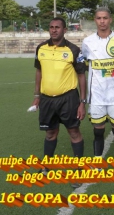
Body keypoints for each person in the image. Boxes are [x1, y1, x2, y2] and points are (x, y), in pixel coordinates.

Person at [31, 17, 86, 189]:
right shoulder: (41, 48)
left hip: (68, 98)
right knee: (50, 134)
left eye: (57, 27)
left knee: (74, 132)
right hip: (47, 99)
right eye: (51, 27)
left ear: (64, 30)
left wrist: (82, 101)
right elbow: (39, 72)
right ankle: (46, 167)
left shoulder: (74, 50)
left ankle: (79, 170)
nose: (54, 30)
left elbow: (81, 76)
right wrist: (37, 94)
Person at [82, 7, 114, 178]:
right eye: (98, 18)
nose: (102, 21)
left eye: (105, 18)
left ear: (110, 19)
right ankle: (97, 163)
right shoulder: (87, 42)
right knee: (98, 131)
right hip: (96, 96)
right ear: (95, 20)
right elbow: (83, 64)